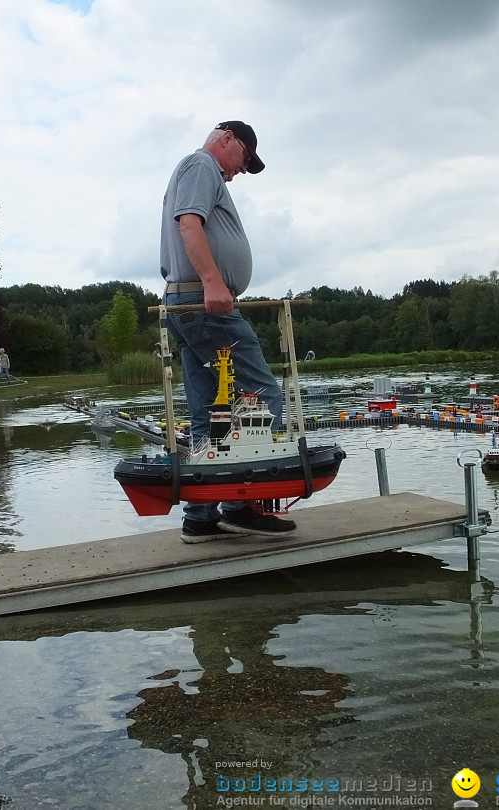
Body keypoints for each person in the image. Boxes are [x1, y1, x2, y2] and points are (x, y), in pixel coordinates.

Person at [159, 120, 294, 543]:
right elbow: (189, 223)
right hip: (205, 304)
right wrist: (215, 282)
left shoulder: (201, 171)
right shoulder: (201, 165)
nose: (241, 170)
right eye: (245, 159)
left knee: (207, 413)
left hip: (188, 304)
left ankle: (201, 516)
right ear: (227, 138)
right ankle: (241, 505)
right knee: (262, 395)